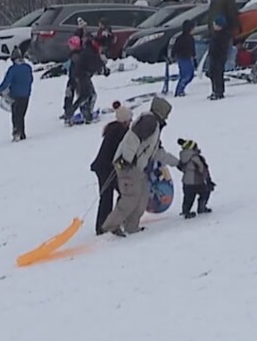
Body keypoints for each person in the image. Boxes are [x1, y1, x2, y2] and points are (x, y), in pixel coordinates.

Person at [100, 96, 180, 237]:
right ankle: (110, 226)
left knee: (142, 196)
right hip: (127, 165)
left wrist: (177, 163)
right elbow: (133, 139)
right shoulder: (149, 122)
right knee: (131, 197)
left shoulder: (154, 125)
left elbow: (157, 152)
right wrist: (126, 160)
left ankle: (132, 226)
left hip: (137, 167)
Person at [90, 102, 132, 235]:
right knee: (118, 194)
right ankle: (105, 225)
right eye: (129, 119)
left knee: (111, 195)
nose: (131, 121)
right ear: (125, 120)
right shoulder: (120, 132)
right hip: (106, 168)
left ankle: (105, 224)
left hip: (104, 167)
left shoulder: (113, 128)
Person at [206, 0, 240, 100]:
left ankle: (214, 89)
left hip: (213, 34)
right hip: (223, 33)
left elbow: (209, 17)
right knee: (220, 63)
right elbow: (232, 15)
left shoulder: (215, 0)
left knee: (214, 63)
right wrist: (237, 29)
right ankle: (219, 91)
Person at [0, 48, 34, 141]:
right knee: (21, 115)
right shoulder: (28, 67)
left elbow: (7, 82)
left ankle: (17, 132)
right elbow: (31, 79)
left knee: (16, 115)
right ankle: (22, 133)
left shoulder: (13, 69)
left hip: (15, 95)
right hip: (26, 95)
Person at [67, 36, 104, 125]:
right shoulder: (89, 52)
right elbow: (94, 64)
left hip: (81, 76)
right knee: (87, 96)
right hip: (82, 76)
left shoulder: (88, 50)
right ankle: (84, 116)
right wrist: (101, 70)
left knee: (86, 96)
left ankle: (82, 115)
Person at [177, 138, 215, 218]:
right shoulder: (196, 158)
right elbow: (203, 169)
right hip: (197, 181)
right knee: (205, 192)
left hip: (186, 182)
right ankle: (202, 207)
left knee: (188, 197)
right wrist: (208, 181)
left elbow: (181, 168)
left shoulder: (183, 158)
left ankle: (186, 211)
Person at [171, 20, 196, 97]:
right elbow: (175, 48)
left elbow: (193, 49)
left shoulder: (191, 38)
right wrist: (173, 55)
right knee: (186, 75)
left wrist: (194, 58)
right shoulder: (181, 38)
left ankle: (181, 89)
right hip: (182, 58)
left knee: (190, 75)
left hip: (188, 58)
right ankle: (179, 91)